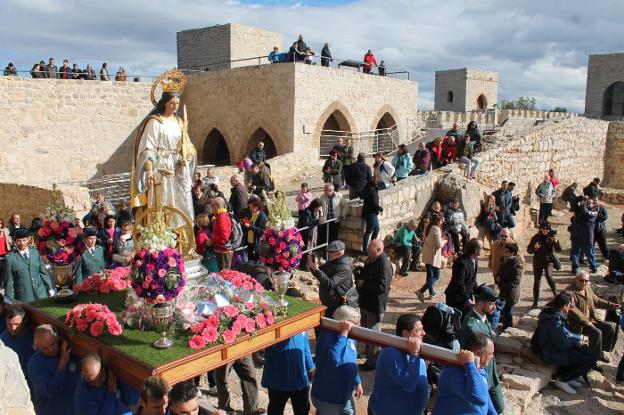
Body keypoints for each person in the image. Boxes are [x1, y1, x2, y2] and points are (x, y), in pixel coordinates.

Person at [130, 71, 196, 231]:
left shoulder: (180, 122)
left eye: (177, 103)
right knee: (162, 203)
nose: (175, 106)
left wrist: (187, 156)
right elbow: (147, 148)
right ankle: (160, 234)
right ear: (165, 102)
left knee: (181, 203)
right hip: (161, 167)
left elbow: (186, 144)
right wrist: (149, 171)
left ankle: (180, 235)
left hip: (178, 167)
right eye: (172, 103)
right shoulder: (155, 122)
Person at [535, 292, 597, 395]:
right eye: (571, 305)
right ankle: (563, 380)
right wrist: (577, 341)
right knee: (590, 360)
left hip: (554, 347)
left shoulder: (554, 314)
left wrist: (578, 338)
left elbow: (564, 333)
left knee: (587, 352)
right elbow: (561, 343)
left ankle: (570, 376)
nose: (571, 307)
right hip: (551, 351)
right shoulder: (554, 320)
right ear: (565, 306)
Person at [368, 314, 428, 415]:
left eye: (423, 329)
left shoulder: (417, 349)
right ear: (405, 334)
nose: (424, 333)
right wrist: (414, 354)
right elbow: (409, 384)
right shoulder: (390, 353)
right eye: (418, 330)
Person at [458, 285, 505, 414]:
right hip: (479, 373)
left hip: (490, 371)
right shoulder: (471, 326)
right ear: (480, 303)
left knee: (499, 407)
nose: (494, 307)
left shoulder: (482, 318)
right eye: (491, 304)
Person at [311, 306, 363, 415]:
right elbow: (334, 359)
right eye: (355, 323)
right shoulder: (326, 336)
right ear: (343, 322)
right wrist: (344, 334)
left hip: (345, 395)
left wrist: (357, 381)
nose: (358, 327)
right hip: (328, 398)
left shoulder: (350, 336)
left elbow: (351, 359)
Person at [432, 332, 497, 415]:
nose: (491, 357)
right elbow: (480, 398)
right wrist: (470, 365)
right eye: (490, 354)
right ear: (477, 353)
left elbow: (485, 395)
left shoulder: (481, 368)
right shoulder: (453, 372)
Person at [565, 270, 620, 362]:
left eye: (586, 281)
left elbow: (597, 300)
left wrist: (611, 305)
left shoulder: (587, 289)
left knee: (610, 327)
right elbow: (573, 310)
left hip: (591, 319)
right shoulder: (569, 292)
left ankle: (601, 351)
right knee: (596, 332)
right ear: (576, 279)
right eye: (581, 280)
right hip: (578, 324)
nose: (584, 283)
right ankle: (593, 358)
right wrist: (586, 322)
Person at [354, 239, 393, 370]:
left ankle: (373, 361)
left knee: (374, 333)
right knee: (365, 330)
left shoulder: (384, 264)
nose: (368, 248)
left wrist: (363, 284)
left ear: (378, 250)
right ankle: (367, 352)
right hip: (366, 302)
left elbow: (383, 286)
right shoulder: (371, 259)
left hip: (375, 305)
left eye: (370, 247)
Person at [28, 324, 81, 415]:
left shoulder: (68, 349)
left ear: (57, 338)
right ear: (38, 347)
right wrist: (62, 364)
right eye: (45, 348)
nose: (50, 349)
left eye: (52, 344)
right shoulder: (35, 364)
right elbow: (50, 390)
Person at [261, 331, 315, 415]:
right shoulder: (276, 327)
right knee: (276, 410)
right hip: (278, 381)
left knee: (302, 410)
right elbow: (279, 346)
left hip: (300, 379)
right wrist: (291, 328)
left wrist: (310, 367)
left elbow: (305, 346)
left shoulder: (300, 325)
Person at [308, 240, 357, 318]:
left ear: (339, 253)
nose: (329, 254)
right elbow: (319, 273)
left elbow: (330, 283)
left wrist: (316, 270)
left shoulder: (345, 267)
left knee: (335, 327)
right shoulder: (333, 261)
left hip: (339, 305)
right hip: (330, 303)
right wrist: (312, 266)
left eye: (331, 252)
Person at [4, 228, 55, 302]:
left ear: (28, 240)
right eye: (19, 241)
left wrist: (50, 288)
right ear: (14, 242)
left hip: (41, 294)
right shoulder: (10, 258)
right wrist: (10, 300)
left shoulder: (34, 252)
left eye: (24, 240)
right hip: (24, 297)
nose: (22, 243)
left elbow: (43, 272)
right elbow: (8, 281)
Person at [527, 221, 561, 307]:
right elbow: (529, 250)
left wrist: (556, 242)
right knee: (536, 283)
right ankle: (535, 303)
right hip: (537, 262)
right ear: (540, 229)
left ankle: (555, 293)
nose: (545, 230)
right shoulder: (536, 237)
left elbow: (559, 250)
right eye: (544, 229)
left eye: (547, 229)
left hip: (548, 261)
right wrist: (534, 248)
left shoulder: (552, 236)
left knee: (549, 276)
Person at [445, 238, 483, 316]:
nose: (482, 250)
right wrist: (467, 299)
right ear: (476, 250)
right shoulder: (462, 263)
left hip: (465, 295)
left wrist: (479, 291)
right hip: (456, 298)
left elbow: (472, 279)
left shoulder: (475, 259)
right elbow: (459, 283)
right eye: (481, 248)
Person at [495, 242, 525, 329]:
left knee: (507, 310)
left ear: (513, 253)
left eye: (507, 251)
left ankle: (507, 327)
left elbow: (516, 282)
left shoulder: (517, 264)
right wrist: (498, 277)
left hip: (511, 291)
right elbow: (501, 271)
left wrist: (501, 283)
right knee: (503, 309)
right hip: (504, 290)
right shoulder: (505, 259)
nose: (505, 253)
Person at [417, 214, 446, 302]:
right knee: (436, 276)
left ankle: (432, 293)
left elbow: (425, 239)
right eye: (441, 220)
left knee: (429, 275)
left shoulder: (428, 227)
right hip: (433, 254)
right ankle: (421, 291)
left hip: (427, 252)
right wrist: (444, 241)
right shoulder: (436, 229)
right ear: (437, 221)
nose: (442, 222)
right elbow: (439, 245)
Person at [0, 305, 34, 374]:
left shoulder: (34, 337)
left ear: (25, 321)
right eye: (9, 324)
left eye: (16, 324)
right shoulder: (2, 340)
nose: (13, 328)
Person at [570, 196, 598, 274]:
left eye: (589, 202)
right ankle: (575, 267)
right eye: (587, 202)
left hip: (587, 235)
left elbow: (587, 214)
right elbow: (573, 203)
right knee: (575, 252)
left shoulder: (594, 211)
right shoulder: (579, 208)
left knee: (590, 252)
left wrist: (583, 205)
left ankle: (593, 266)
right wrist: (580, 198)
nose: (588, 203)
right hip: (577, 234)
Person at [208, 197, 233, 270]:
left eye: (212, 206)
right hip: (220, 249)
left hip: (223, 250)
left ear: (218, 205)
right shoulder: (219, 216)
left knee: (225, 271)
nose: (211, 207)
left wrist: (212, 240)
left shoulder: (222, 217)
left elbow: (224, 236)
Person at [361, 178, 382, 252]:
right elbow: (375, 203)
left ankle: (372, 246)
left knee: (376, 229)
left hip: (371, 213)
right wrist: (380, 208)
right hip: (371, 213)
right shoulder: (372, 191)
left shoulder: (368, 189)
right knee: (369, 231)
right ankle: (365, 249)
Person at [0, 218, 11, 287]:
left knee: (6, 272)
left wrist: (7, 237)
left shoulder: (5, 231)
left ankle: (4, 287)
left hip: (5, 255)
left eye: (0, 223)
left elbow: (10, 241)